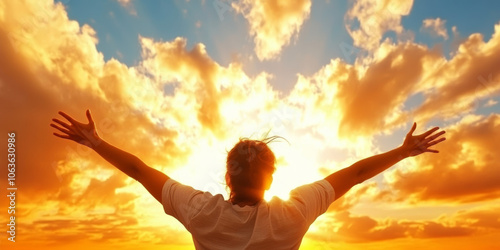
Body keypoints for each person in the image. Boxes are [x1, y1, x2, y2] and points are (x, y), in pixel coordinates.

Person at [50, 109, 446, 250]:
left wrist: (95, 141)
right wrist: (402, 151)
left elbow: (139, 171)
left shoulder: (200, 212)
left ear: (226, 176)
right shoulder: (294, 214)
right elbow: (355, 174)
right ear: (272, 178)